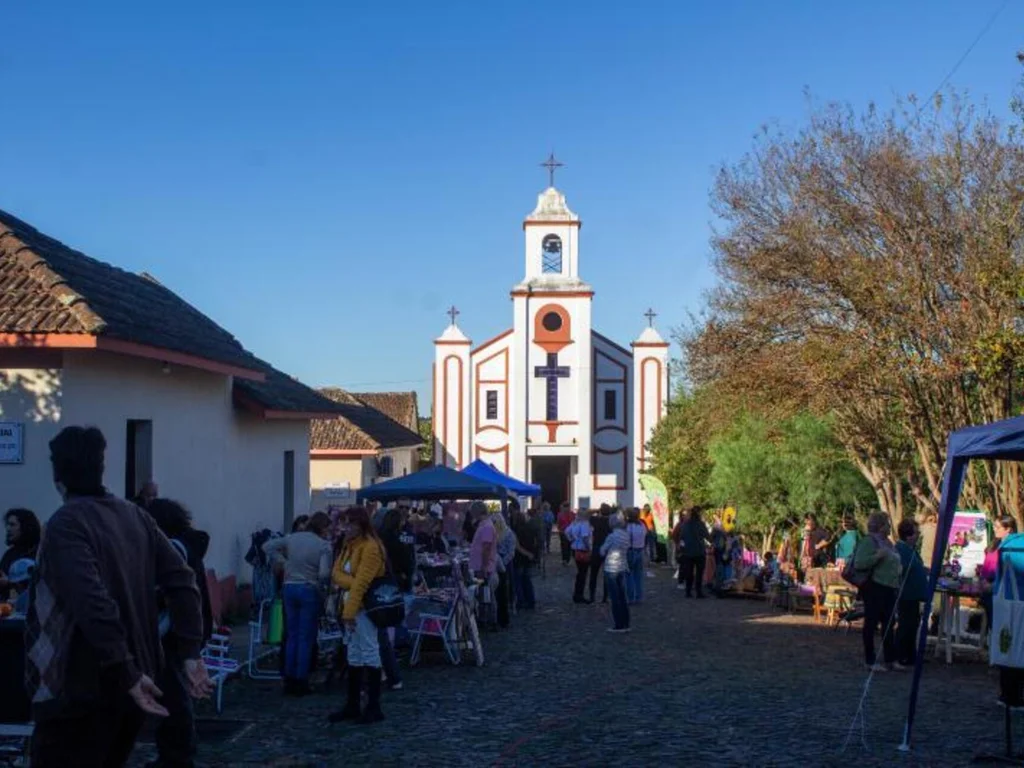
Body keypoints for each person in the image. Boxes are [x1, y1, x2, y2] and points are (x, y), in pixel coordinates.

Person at [26, 426, 211, 768]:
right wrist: (188, 652)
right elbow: (183, 582)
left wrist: (125, 670)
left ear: (57, 475)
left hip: (82, 685)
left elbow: (93, 602)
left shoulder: (65, 523)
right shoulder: (134, 515)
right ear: (100, 467)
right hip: (135, 682)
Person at [146, 498, 214, 768]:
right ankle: (175, 754)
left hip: (172, 631)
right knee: (174, 694)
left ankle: (176, 757)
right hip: (185, 630)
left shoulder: (173, 548)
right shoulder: (187, 545)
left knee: (172, 696)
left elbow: (169, 591)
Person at [263, 511, 333, 695]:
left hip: (289, 587)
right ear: (323, 528)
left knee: (291, 635)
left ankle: (288, 677)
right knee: (305, 637)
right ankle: (301, 679)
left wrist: (284, 562)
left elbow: (267, 546)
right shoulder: (323, 545)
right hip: (309, 588)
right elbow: (324, 574)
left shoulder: (292, 538)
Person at [328, 506, 387, 725]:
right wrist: (351, 585)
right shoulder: (348, 546)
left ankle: (373, 706)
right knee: (354, 653)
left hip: (363, 608)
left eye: (350, 523)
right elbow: (336, 573)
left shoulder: (370, 547)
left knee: (369, 651)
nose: (345, 528)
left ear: (361, 525)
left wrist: (349, 611)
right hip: (351, 604)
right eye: (344, 523)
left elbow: (363, 583)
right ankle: (352, 704)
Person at [854, 511, 902, 672]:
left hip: (890, 587)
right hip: (875, 587)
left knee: (889, 623)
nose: (890, 526)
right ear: (880, 526)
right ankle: (870, 659)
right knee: (871, 622)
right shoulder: (869, 541)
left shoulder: (888, 542)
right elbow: (859, 563)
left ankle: (890, 658)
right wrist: (877, 557)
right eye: (887, 523)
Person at [379, 507, 416, 690]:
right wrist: (406, 575)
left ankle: (387, 663)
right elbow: (407, 561)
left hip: (382, 585)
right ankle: (391, 660)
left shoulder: (379, 539)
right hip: (396, 582)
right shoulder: (398, 540)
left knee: (386, 625)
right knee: (394, 621)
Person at [895, 520, 928, 670]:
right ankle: (901, 655)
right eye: (916, 533)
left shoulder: (911, 549)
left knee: (913, 624)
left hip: (914, 595)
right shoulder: (902, 550)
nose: (918, 535)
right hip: (906, 594)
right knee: (906, 625)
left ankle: (910, 654)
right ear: (909, 535)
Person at [981, 516, 1019, 632]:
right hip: (988, 590)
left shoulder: (1014, 547)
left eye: (997, 527)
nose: (994, 529)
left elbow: (1013, 572)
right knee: (993, 624)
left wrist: (993, 585)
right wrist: (983, 580)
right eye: (994, 526)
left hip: (1003, 591)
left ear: (1008, 529)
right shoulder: (995, 544)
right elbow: (987, 566)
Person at [601, 512, 631, 633]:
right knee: (622, 596)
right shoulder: (626, 535)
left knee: (615, 597)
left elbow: (602, 551)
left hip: (611, 567)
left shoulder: (612, 536)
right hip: (622, 566)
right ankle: (626, 622)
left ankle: (618, 624)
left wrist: (602, 550)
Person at [0, 508, 41, 597]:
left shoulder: (40, 552)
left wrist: (10, 583)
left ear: (25, 526)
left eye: (12, 525)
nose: (8, 529)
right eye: (7, 525)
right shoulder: (9, 554)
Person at [678, 506, 711, 598]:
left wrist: (681, 550)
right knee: (699, 573)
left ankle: (688, 592)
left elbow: (681, 538)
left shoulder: (685, 524)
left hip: (688, 552)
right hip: (699, 551)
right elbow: (708, 537)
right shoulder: (701, 524)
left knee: (689, 573)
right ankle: (699, 592)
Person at [512, 510, 540, 610]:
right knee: (527, 580)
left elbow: (517, 546)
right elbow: (535, 543)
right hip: (528, 558)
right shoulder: (531, 528)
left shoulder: (515, 530)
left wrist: (527, 553)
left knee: (518, 581)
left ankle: (521, 601)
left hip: (519, 558)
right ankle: (531, 601)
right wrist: (531, 554)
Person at [565, 510, 594, 603]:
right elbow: (585, 537)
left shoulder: (574, 523)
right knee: (583, 573)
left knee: (580, 573)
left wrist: (572, 540)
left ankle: (577, 594)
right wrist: (589, 549)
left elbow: (566, 532)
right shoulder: (585, 524)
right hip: (583, 550)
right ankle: (579, 595)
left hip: (575, 549)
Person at [588, 506, 612, 604]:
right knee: (607, 574)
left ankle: (592, 596)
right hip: (607, 548)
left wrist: (596, 510)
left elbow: (587, 513)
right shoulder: (611, 522)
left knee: (593, 573)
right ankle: (606, 597)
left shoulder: (596, 520)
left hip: (597, 547)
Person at [625, 508, 647, 604]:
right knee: (638, 576)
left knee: (629, 576)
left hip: (630, 551)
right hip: (640, 550)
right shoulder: (642, 525)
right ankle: (639, 596)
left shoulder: (628, 526)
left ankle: (631, 597)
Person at [556, 502, 575, 567]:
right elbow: (558, 523)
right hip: (563, 532)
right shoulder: (560, 514)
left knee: (568, 546)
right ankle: (564, 560)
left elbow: (574, 522)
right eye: (566, 507)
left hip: (570, 533)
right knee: (564, 546)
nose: (567, 508)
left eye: (568, 507)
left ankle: (567, 559)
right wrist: (560, 529)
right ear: (564, 507)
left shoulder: (572, 514)